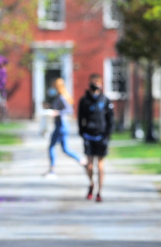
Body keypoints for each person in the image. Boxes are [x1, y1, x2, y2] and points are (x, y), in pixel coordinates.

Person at [77, 73, 114, 202]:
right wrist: (81, 132)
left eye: (97, 82)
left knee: (100, 165)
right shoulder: (84, 100)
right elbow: (80, 118)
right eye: (93, 82)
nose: (95, 85)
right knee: (90, 166)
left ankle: (99, 191)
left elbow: (110, 119)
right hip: (89, 135)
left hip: (101, 135)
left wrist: (108, 134)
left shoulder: (105, 100)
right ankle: (92, 184)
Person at [44, 78, 85, 177]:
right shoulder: (59, 97)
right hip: (61, 125)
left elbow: (69, 111)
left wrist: (56, 113)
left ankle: (52, 170)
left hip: (61, 125)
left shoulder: (62, 97)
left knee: (51, 146)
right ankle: (82, 161)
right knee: (65, 149)